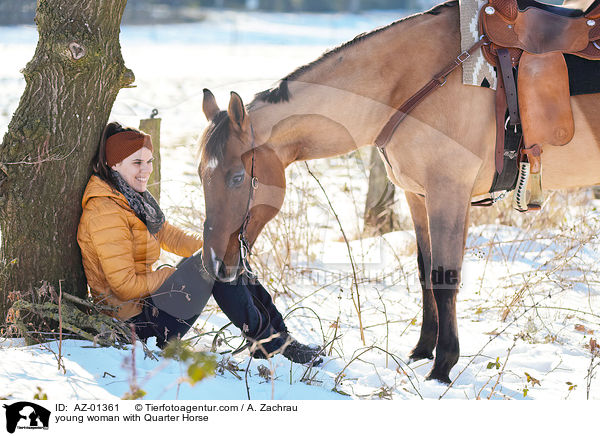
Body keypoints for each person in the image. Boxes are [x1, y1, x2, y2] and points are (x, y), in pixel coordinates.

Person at [77, 121, 323, 364]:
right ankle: (272, 346)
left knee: (223, 256)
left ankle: (280, 339)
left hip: (148, 308)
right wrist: (172, 275)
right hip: (136, 326)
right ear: (115, 164)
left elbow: (167, 235)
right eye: (137, 163)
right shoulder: (105, 210)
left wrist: (215, 248)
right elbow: (123, 286)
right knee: (216, 264)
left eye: (149, 161)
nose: (146, 170)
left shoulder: (130, 198)